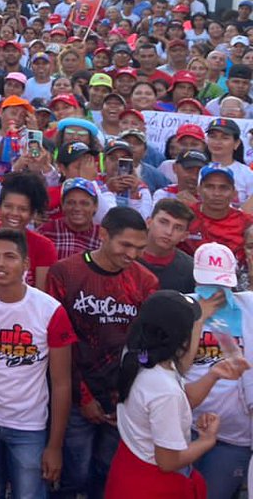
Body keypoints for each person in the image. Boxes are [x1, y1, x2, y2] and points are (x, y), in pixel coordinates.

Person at [47, 207, 159, 499]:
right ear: (104, 234)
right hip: (75, 395)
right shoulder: (65, 272)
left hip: (122, 397)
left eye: (139, 248)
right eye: (126, 245)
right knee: (74, 474)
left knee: (108, 474)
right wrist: (83, 397)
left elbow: (144, 347)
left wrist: (125, 397)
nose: (132, 254)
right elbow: (60, 343)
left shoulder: (146, 281)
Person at [0, 228, 75, 499]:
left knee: (29, 494)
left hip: (28, 424)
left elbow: (61, 383)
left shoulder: (50, 311)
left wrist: (55, 446)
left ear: (26, 264)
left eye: (9, 257)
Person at [104, 290, 247, 498]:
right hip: (151, 487)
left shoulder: (141, 356)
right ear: (180, 338)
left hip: (129, 470)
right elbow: (168, 462)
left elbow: (182, 399)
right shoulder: (163, 389)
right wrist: (207, 441)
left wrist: (213, 375)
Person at [186, 243, 253, 499]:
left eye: (222, 283)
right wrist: (199, 318)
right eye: (208, 283)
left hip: (234, 434)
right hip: (186, 426)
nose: (215, 290)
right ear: (196, 278)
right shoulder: (180, 307)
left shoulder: (248, 307)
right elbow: (178, 365)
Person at [180, 164, 253, 260]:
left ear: (234, 193)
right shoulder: (184, 216)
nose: (216, 193)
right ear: (199, 190)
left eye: (223, 188)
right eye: (209, 187)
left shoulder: (247, 223)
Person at [138, 198, 196, 292]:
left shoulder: (191, 270)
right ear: (148, 222)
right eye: (163, 222)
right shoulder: (125, 258)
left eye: (178, 228)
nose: (169, 232)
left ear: (184, 236)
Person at [39, 177, 104, 260]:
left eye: (84, 203)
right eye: (71, 203)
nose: (77, 208)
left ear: (95, 206)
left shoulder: (102, 237)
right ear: (63, 205)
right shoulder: (46, 232)